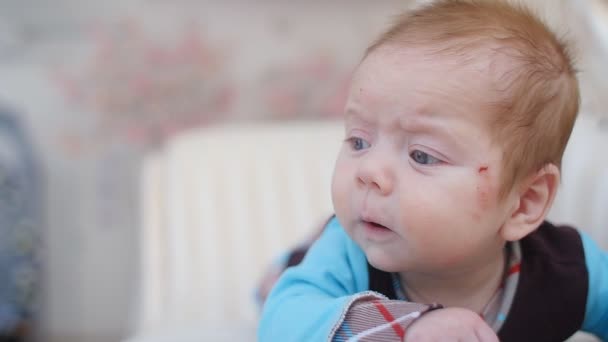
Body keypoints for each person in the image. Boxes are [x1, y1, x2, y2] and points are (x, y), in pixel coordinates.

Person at [257, 1, 608, 341]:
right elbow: (282, 322)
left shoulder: (571, 271)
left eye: (421, 156)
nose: (368, 171)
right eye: (359, 141)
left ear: (523, 202)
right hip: (323, 265)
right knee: (285, 283)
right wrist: (403, 327)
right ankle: (297, 253)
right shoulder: (349, 255)